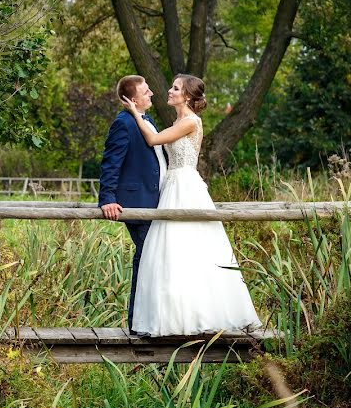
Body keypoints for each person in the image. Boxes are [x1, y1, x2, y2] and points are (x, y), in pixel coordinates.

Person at [120, 73, 262, 336]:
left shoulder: (190, 122)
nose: (170, 91)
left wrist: (135, 113)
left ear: (186, 96)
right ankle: (174, 316)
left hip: (185, 187)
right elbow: (157, 137)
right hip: (171, 186)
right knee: (170, 252)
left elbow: (153, 139)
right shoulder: (178, 121)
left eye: (175, 88)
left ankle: (200, 315)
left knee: (190, 247)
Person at [98, 75, 168, 334]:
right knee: (148, 258)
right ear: (132, 98)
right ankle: (138, 323)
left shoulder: (146, 120)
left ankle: (147, 321)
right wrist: (107, 198)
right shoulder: (124, 123)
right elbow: (110, 162)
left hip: (155, 202)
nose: (151, 93)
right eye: (146, 91)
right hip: (137, 203)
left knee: (149, 258)